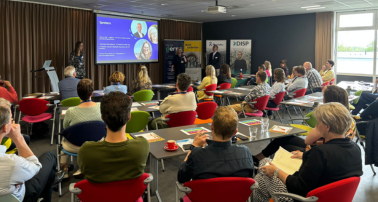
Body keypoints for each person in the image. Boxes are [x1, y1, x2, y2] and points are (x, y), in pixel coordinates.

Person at [253, 102, 363, 201]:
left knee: (264, 165)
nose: (317, 126)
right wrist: (305, 155)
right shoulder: (355, 148)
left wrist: (276, 171)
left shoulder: (320, 152)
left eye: (318, 123)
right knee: (262, 181)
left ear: (327, 127)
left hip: (303, 198)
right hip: (331, 196)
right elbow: (332, 161)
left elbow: (298, 188)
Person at [253, 85, 354, 166]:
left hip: (317, 152)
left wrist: (319, 125)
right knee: (283, 139)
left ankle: (267, 164)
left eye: (324, 98)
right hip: (323, 150)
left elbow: (308, 141)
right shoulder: (349, 120)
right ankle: (259, 158)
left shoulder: (328, 121)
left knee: (284, 145)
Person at [78, 92, 150, 183]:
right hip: (130, 196)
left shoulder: (86, 150)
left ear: (102, 117)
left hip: (99, 197)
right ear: (129, 117)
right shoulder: (143, 146)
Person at [0, 106, 64, 202]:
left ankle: (51, 178)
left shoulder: (12, 163)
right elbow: (36, 167)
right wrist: (18, 138)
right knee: (50, 156)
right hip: (20, 197)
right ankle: (51, 178)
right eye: (11, 120)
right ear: (5, 127)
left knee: (47, 174)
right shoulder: (12, 163)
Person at [177, 106, 254, 183]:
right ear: (235, 132)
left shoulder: (197, 154)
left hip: (204, 195)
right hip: (237, 195)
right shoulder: (245, 152)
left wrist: (193, 147)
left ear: (212, 126)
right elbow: (250, 178)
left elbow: (181, 177)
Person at [61, 79, 102, 178]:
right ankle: (86, 167)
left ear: (77, 93)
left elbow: (65, 128)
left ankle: (65, 171)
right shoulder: (101, 107)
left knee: (63, 141)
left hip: (74, 146)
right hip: (96, 144)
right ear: (92, 93)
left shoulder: (71, 111)